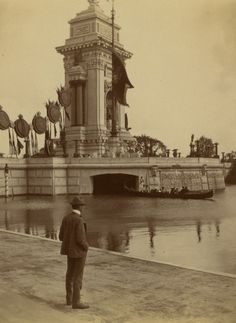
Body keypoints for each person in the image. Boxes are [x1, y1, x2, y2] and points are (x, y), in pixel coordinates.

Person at [59, 196, 89, 309]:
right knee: (78, 276)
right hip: (79, 252)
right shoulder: (79, 220)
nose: (84, 208)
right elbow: (80, 239)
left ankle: (69, 299)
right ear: (80, 207)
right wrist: (86, 247)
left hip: (69, 252)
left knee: (70, 274)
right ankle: (76, 302)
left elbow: (61, 236)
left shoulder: (66, 218)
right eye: (83, 206)